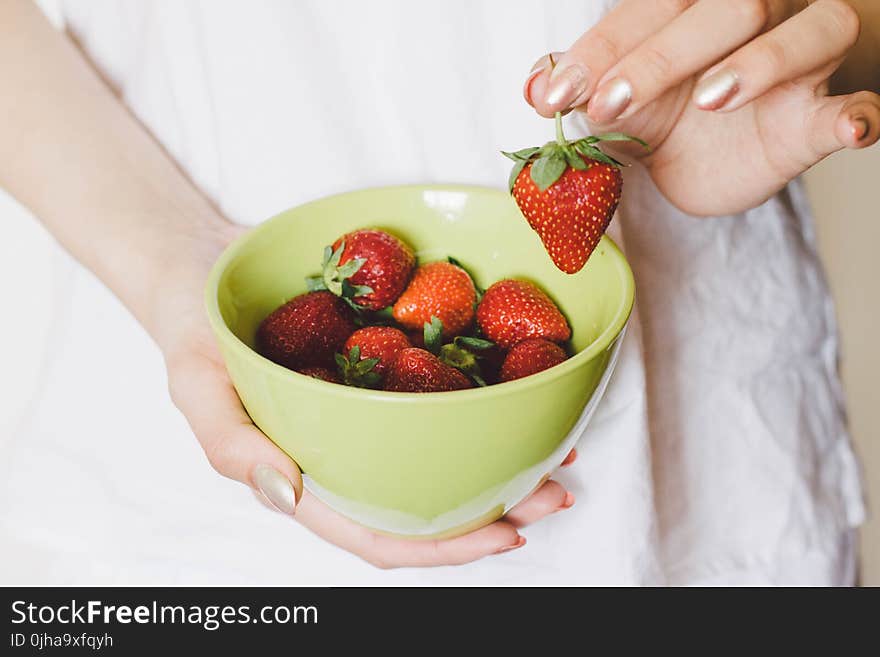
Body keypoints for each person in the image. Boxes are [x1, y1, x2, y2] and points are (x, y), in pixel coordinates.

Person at [0, 0, 877, 585]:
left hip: (703, 442)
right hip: (171, 474)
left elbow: (851, 24)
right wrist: (171, 261)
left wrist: (800, 35)